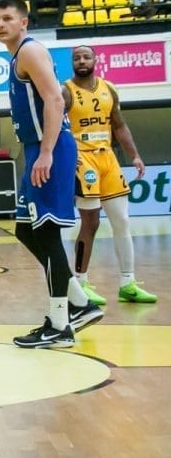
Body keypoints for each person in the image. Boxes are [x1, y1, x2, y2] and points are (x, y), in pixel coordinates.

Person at [0, 0, 103, 351]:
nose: (1, 24)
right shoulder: (17, 56)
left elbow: (55, 100)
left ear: (23, 22)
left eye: (8, 18)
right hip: (37, 149)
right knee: (27, 230)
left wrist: (48, 152)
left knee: (48, 233)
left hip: (49, 148)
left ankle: (59, 324)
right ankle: (80, 303)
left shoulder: (30, 51)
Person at [63, 46, 157, 306]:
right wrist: (65, 157)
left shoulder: (109, 89)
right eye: (77, 58)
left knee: (122, 221)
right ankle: (81, 283)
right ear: (72, 63)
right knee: (90, 223)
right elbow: (55, 127)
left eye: (86, 57)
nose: (82, 61)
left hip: (108, 158)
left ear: (95, 60)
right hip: (83, 161)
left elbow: (119, 125)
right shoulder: (65, 91)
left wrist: (135, 155)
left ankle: (128, 284)